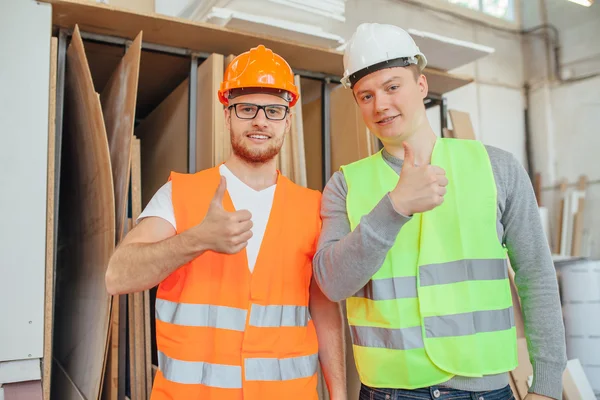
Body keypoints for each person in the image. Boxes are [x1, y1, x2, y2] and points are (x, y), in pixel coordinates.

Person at [313, 23, 567, 400]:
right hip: (391, 392)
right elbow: (331, 283)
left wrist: (546, 382)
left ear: (421, 86)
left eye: (392, 86)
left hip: (486, 390)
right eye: (365, 96)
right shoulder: (345, 185)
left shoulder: (497, 168)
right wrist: (394, 207)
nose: (380, 105)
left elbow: (536, 275)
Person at [106, 44, 346, 400]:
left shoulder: (313, 207)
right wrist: (196, 239)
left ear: (288, 120)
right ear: (227, 114)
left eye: (274, 110)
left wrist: (339, 394)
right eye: (247, 108)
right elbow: (117, 276)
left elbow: (324, 310)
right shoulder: (181, 194)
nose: (261, 121)